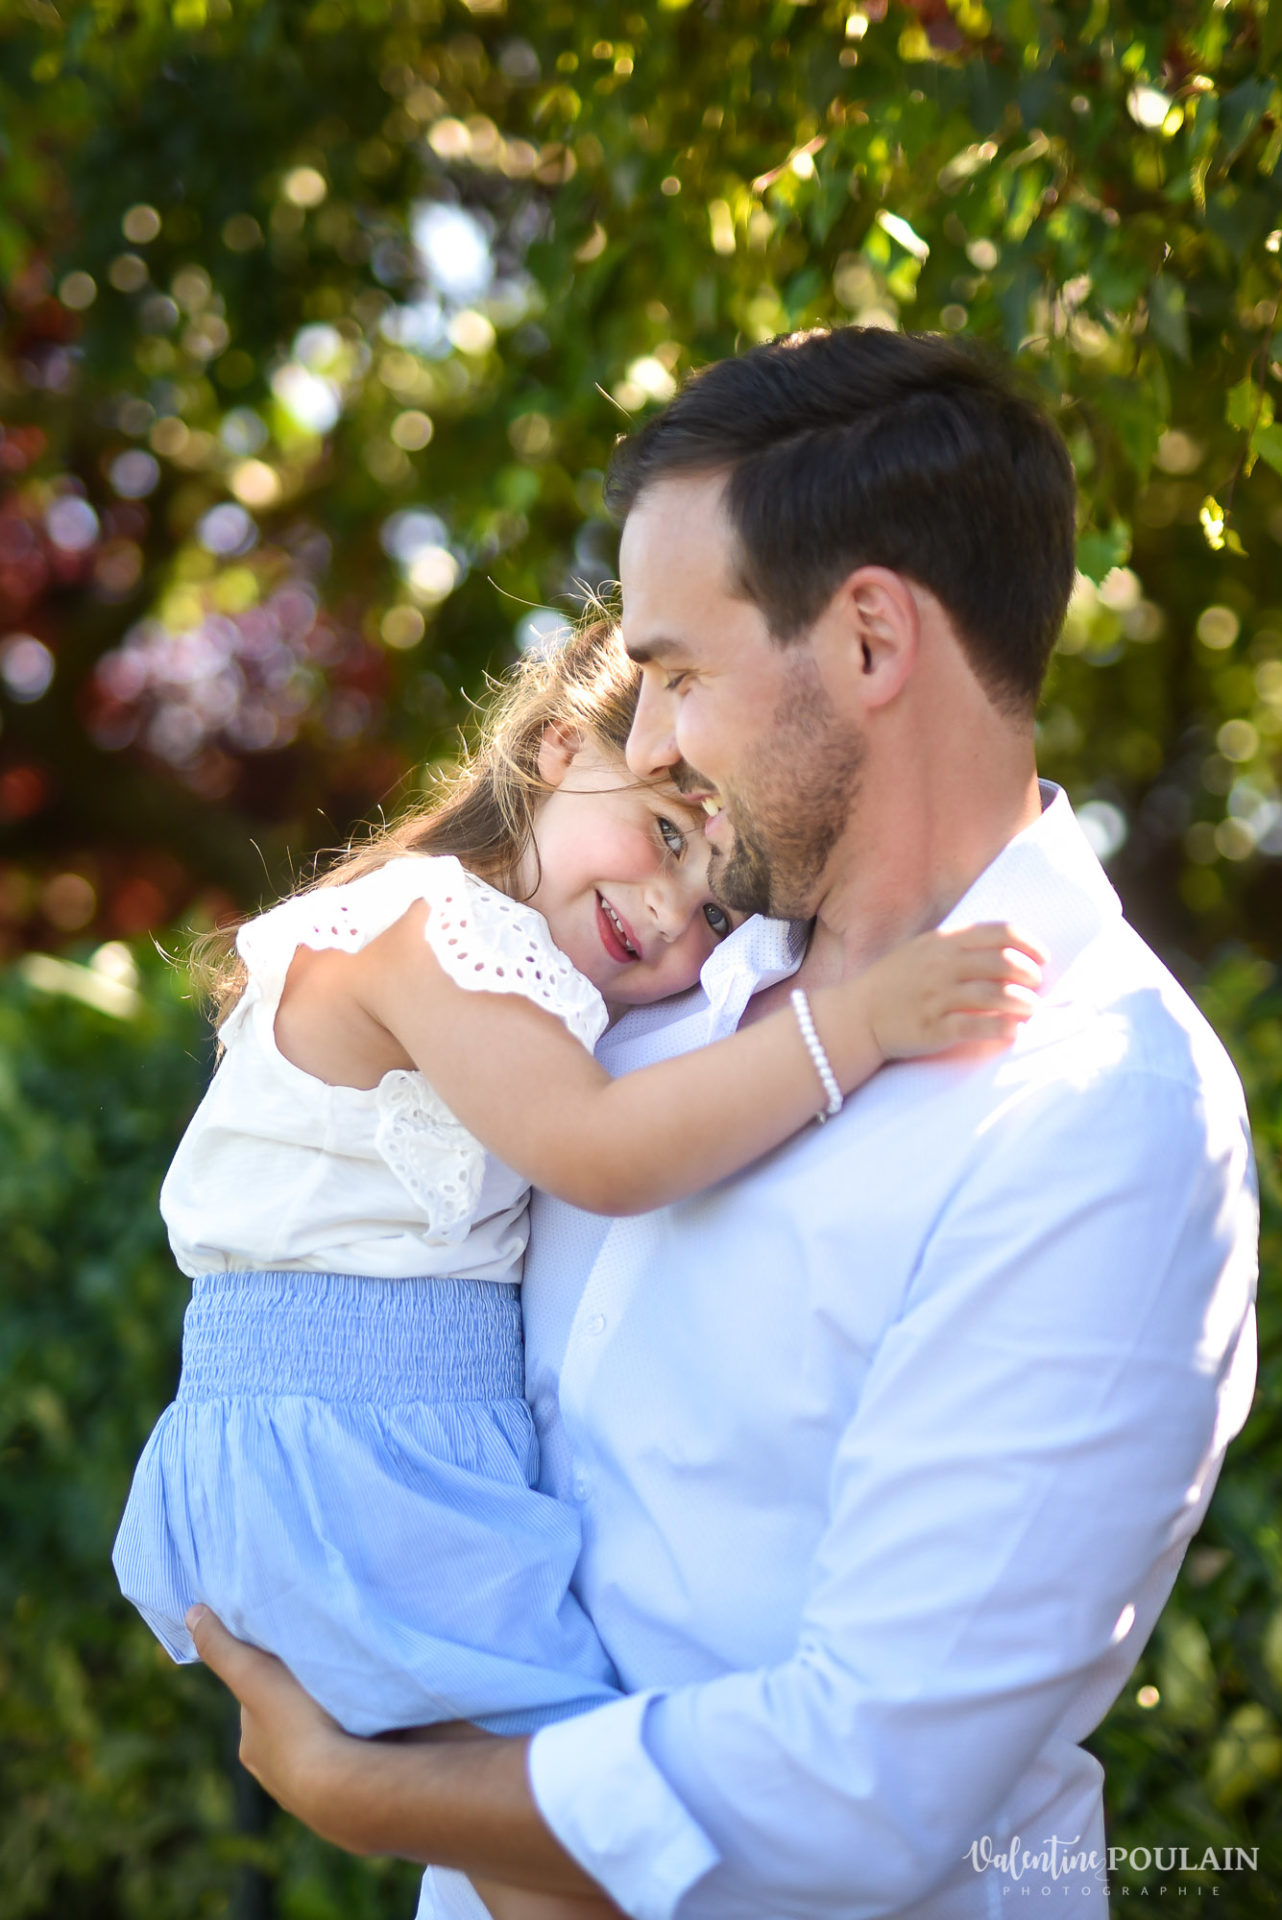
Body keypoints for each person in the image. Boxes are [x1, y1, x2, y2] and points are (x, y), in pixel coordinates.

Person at [187, 326, 1258, 1919]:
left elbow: (866, 1783)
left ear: (872, 641)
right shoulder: (635, 998)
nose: (653, 736)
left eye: (679, 672)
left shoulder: (1094, 1109)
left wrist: (373, 1790)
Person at [113, 614, 1040, 1747]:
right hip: (356, 1453)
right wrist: (855, 1024)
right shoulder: (436, 925)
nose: (666, 913)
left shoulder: (499, 964)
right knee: (563, 1820)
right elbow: (605, 1152)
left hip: (365, 1444)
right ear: (556, 751)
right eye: (660, 831)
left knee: (537, 1837)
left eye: (715, 913)